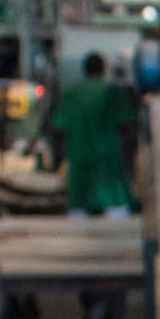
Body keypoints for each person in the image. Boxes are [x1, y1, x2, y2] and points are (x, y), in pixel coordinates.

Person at [45, 53, 137, 216]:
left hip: (80, 155)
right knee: (115, 206)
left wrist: (57, 159)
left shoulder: (71, 94)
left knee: (78, 206)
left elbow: (58, 128)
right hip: (108, 157)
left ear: (84, 70)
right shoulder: (113, 92)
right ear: (103, 68)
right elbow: (126, 124)